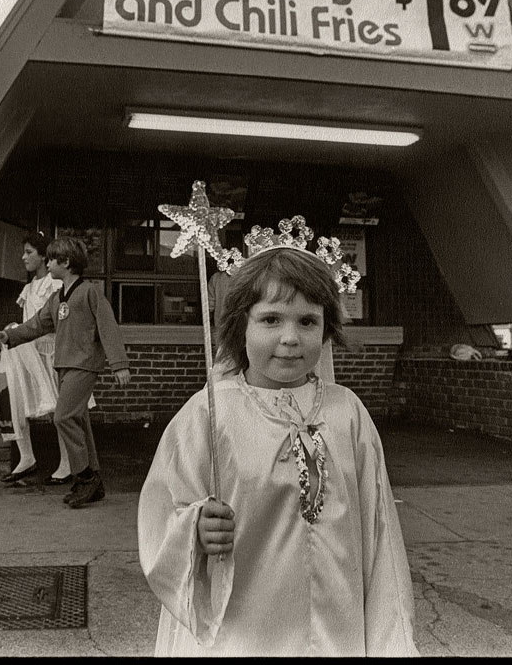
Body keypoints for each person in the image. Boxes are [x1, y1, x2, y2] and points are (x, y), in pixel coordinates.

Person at [137, 246, 418, 656]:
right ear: (241, 326)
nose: (290, 338)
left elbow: (380, 532)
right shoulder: (210, 412)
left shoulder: (347, 413)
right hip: (245, 627)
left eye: (308, 321)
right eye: (271, 319)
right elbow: (162, 509)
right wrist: (194, 527)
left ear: (326, 331)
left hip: (337, 626)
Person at [0, 236, 131, 508]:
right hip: (64, 365)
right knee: (80, 421)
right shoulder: (56, 298)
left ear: (66, 263)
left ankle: (84, 477)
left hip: (84, 364)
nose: (49, 263)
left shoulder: (90, 292)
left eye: (53, 259)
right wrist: (9, 337)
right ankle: (94, 480)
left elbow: (108, 327)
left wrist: (119, 364)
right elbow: (36, 325)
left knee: (63, 417)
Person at [0, 231, 76, 486]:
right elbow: (29, 324)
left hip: (50, 353)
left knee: (60, 408)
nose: (23, 257)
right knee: (14, 397)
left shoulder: (56, 285)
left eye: (29, 253)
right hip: (27, 352)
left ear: (42, 256)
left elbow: (54, 322)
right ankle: (26, 457)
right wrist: (12, 333)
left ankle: (67, 463)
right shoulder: (28, 289)